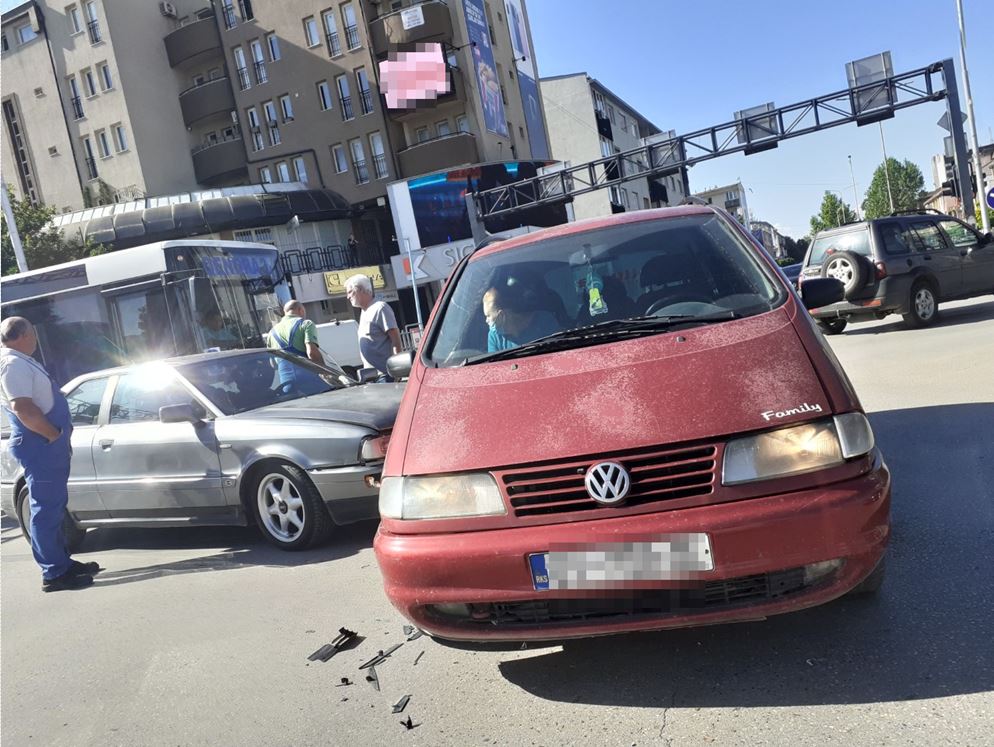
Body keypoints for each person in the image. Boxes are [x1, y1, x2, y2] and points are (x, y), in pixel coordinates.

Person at [0, 317, 100, 592]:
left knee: (53, 507)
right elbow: (23, 408)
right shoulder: (12, 363)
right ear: (21, 335)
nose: (35, 338)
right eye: (32, 333)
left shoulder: (17, 359)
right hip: (40, 444)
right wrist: (53, 436)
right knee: (45, 510)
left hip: (44, 442)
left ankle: (62, 563)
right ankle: (54, 573)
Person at [345, 274, 402, 381]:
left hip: (386, 375)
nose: (348, 297)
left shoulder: (380, 308)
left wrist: (398, 370)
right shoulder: (364, 312)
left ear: (360, 290)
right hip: (371, 376)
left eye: (349, 292)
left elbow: (396, 340)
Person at [482, 283, 559, 352]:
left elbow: (558, 352)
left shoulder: (544, 320)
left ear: (502, 315)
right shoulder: (494, 336)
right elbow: (494, 366)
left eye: (488, 316)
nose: (486, 320)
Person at [268, 301, 323, 392]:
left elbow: (273, 364)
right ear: (300, 310)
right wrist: (325, 372)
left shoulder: (272, 333)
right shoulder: (306, 324)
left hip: (288, 386)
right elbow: (312, 353)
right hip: (310, 383)